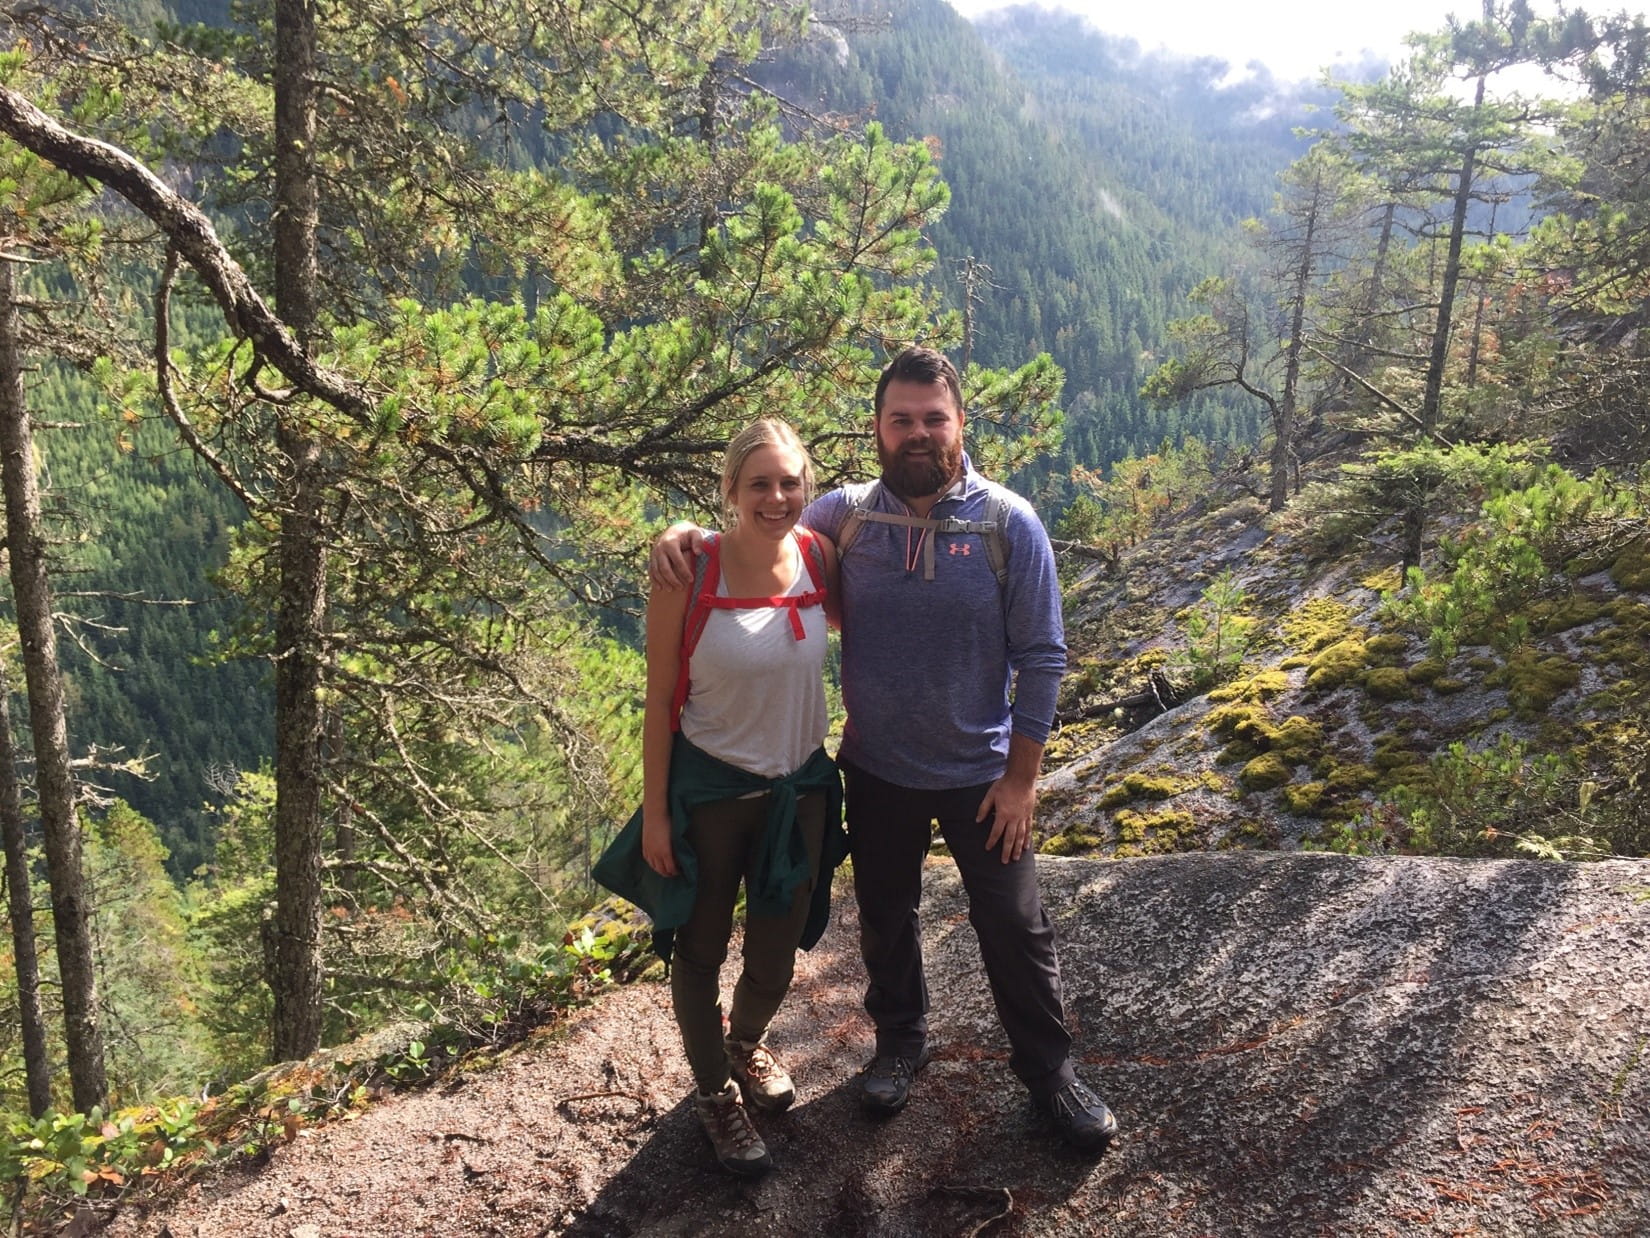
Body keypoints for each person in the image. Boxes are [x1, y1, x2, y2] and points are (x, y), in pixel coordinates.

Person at [650, 347, 1117, 1155]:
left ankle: (1051, 1074)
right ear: (878, 428)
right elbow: (762, 533)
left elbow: (1043, 655)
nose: (918, 433)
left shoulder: (1009, 523)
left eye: (934, 418)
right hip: (875, 768)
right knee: (885, 918)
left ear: (960, 422)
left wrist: (1022, 780)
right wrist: (684, 534)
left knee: (1014, 924)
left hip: (980, 774)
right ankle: (900, 1045)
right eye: (901, 420)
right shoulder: (847, 516)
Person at [594, 419, 848, 1178]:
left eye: (790, 482)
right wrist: (657, 814)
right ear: (731, 490)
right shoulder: (690, 570)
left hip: (799, 789)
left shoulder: (818, 554)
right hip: (711, 792)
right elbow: (659, 698)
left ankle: (744, 1042)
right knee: (700, 949)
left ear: (807, 487)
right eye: (758, 484)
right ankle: (714, 1095)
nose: (777, 498)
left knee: (777, 952)